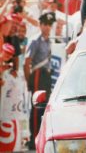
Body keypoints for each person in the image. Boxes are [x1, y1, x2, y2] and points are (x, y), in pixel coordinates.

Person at [23, 12, 55, 149]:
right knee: (36, 108)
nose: (47, 27)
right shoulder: (35, 40)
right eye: (45, 24)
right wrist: (29, 81)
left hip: (46, 76)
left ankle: (40, 138)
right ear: (40, 25)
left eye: (49, 24)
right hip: (37, 75)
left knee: (44, 107)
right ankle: (33, 140)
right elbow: (27, 61)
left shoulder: (48, 40)